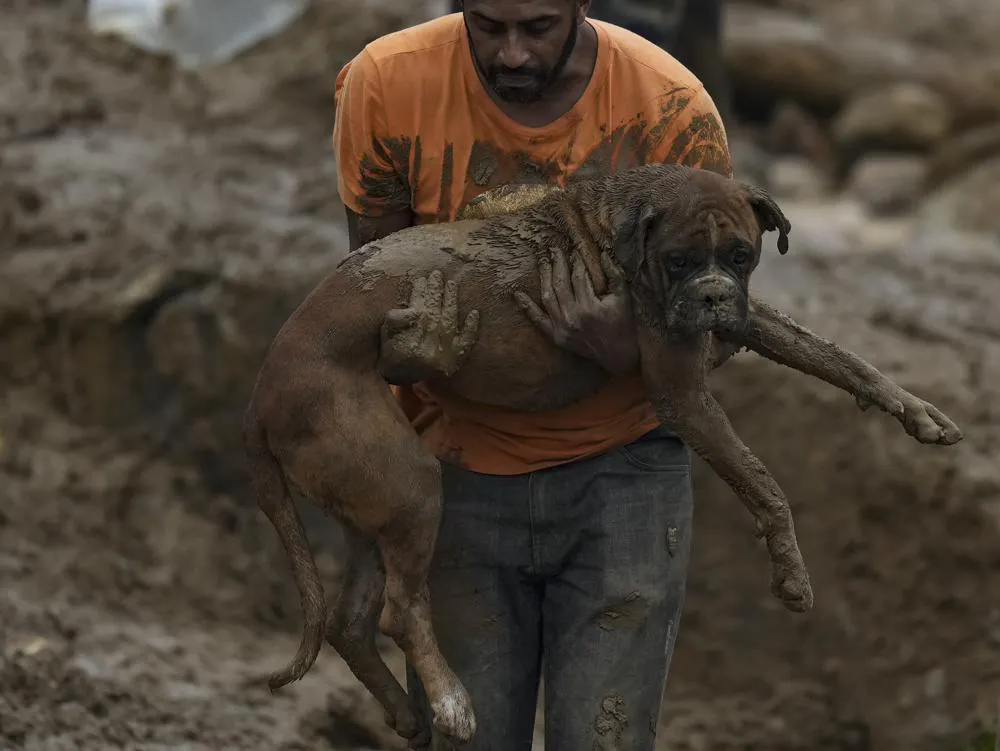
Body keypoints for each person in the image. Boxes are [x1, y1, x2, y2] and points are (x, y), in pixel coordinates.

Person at [332, 0, 731, 747]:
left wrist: (630, 345)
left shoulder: (668, 108)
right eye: (488, 26)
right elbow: (372, 288)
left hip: (625, 475)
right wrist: (414, 356)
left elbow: (719, 328)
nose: (511, 54)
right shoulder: (388, 83)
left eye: (538, 28)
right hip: (453, 469)